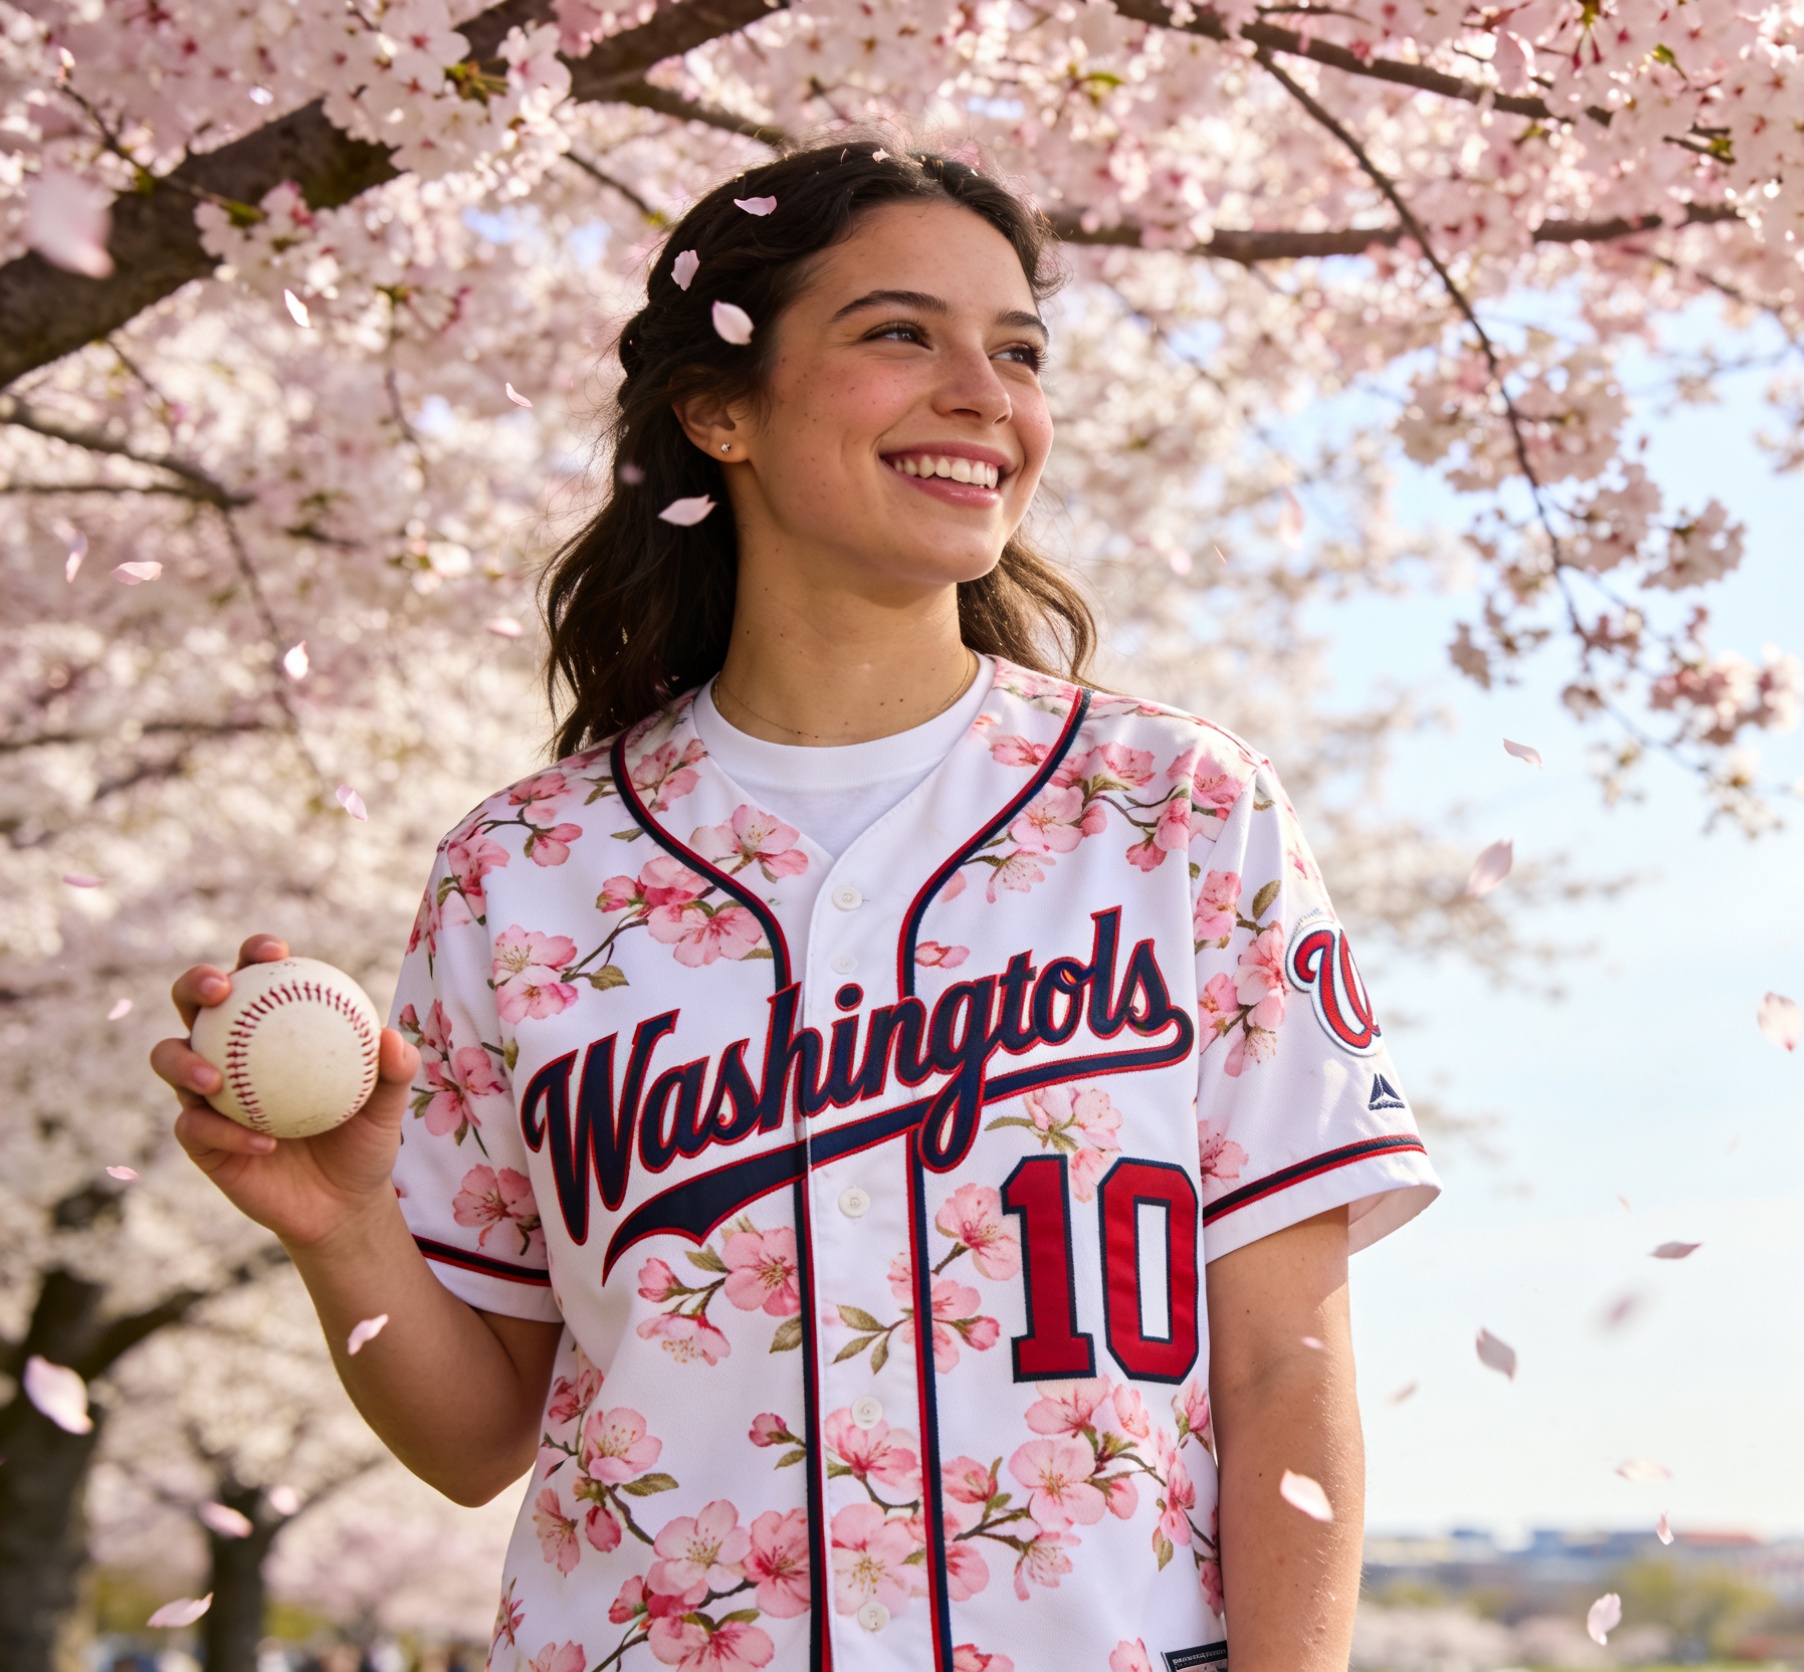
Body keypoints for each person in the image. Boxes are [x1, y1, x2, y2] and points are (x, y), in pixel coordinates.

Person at [153, 138, 1438, 1672]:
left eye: (1018, 350)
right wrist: (342, 1226)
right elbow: (476, 1436)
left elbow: (1288, 1369)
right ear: (717, 410)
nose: (985, 392)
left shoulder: (1178, 811)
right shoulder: (525, 869)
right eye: (902, 332)